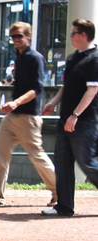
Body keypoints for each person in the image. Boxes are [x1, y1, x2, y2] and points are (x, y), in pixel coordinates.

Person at [0, 22, 57, 207]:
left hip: (28, 117)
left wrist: (16, 102)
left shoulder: (35, 58)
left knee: (37, 156)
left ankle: (59, 190)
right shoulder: (18, 57)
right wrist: (12, 84)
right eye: (13, 37)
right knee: (1, 156)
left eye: (19, 36)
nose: (16, 40)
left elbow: (37, 88)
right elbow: (23, 82)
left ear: (28, 36)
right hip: (13, 117)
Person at [41, 19, 98, 217]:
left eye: (74, 33)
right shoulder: (73, 57)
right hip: (65, 119)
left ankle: (64, 205)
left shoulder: (94, 58)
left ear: (84, 35)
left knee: (87, 164)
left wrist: (75, 115)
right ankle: (64, 207)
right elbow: (67, 87)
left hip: (83, 122)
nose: (71, 36)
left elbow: (92, 90)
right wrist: (54, 102)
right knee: (62, 163)